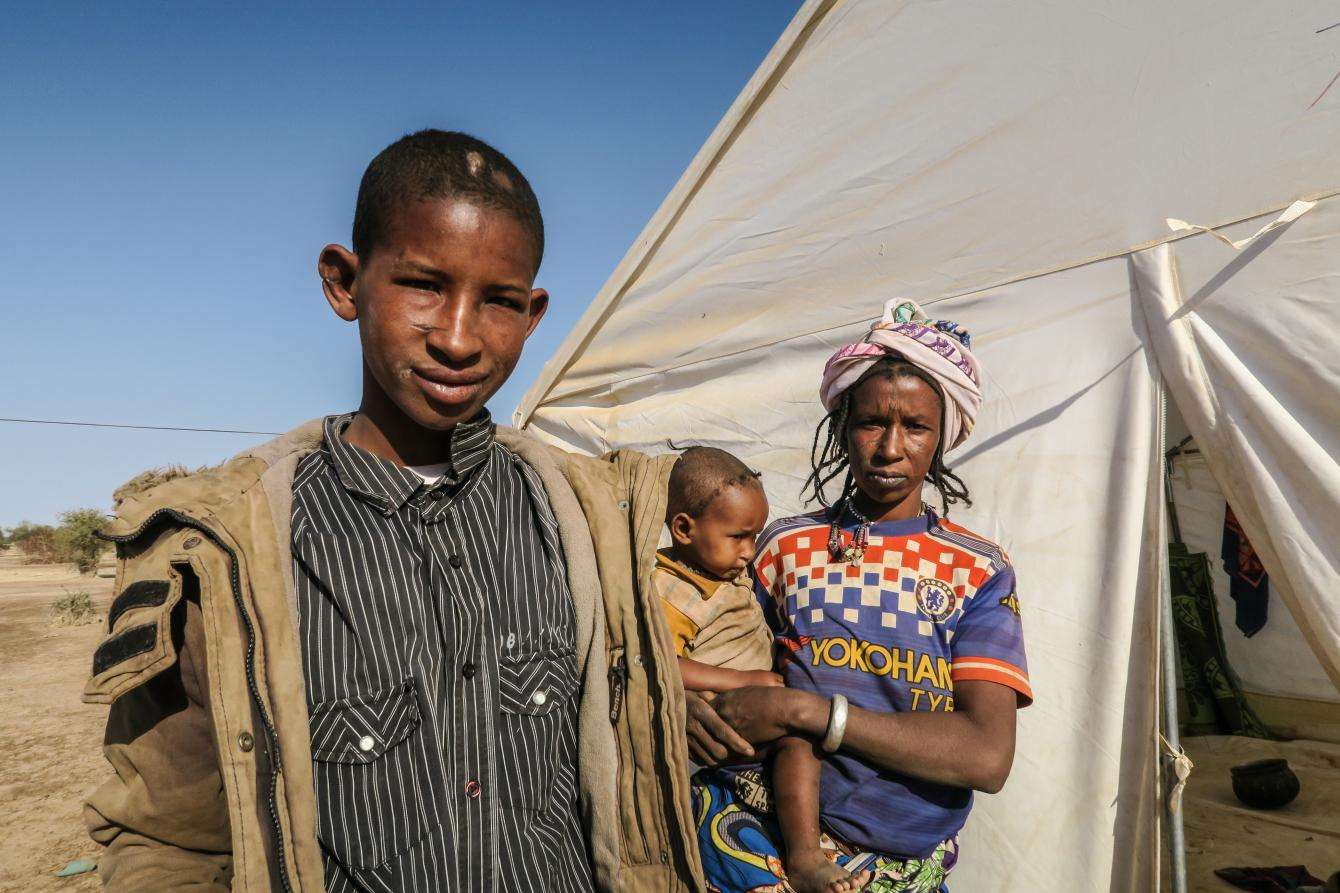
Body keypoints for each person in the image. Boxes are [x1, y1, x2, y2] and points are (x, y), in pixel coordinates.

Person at [82, 130, 706, 892]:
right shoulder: (231, 550)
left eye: (500, 301)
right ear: (345, 283)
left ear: (535, 313)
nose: (457, 337)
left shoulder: (585, 520)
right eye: (423, 285)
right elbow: (168, 837)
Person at [688, 299, 1033, 893]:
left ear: (942, 437)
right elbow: (713, 654)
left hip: (898, 865)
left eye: (916, 427)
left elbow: (985, 756)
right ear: (843, 427)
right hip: (751, 835)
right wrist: (686, 706)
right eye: (871, 422)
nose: (890, 447)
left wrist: (808, 711)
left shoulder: (978, 572)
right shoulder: (781, 547)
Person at [655, 446, 780, 694]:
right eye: (738, 537)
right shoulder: (671, 594)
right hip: (716, 714)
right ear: (683, 529)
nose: (749, 552)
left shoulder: (725, 571)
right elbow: (660, 663)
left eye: (754, 537)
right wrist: (742, 680)